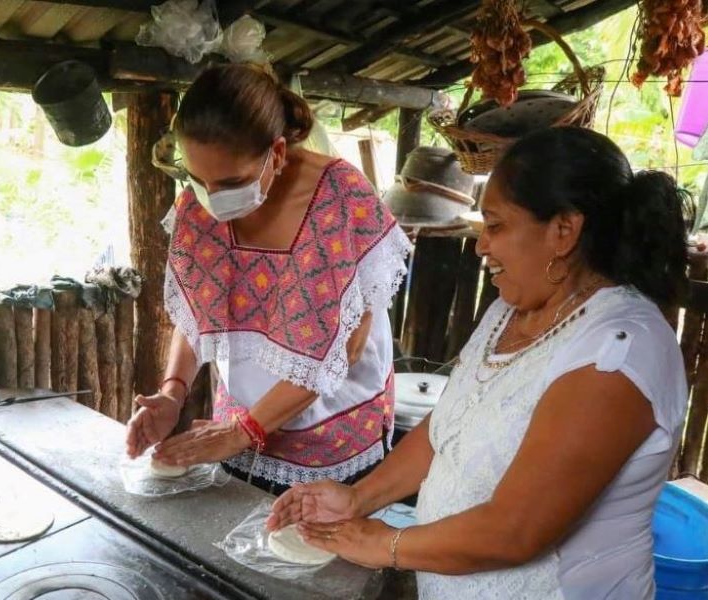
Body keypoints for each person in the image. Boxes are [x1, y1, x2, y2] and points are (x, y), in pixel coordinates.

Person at [268, 126, 691, 599]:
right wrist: (357, 498)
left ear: (563, 231)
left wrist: (382, 543)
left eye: (496, 225)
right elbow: (448, 430)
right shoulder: (508, 312)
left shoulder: (618, 351)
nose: (481, 245)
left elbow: (516, 530)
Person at [125, 63, 412, 494]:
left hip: (330, 433)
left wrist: (243, 431)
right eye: (199, 180)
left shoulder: (339, 201)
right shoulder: (198, 205)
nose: (213, 199)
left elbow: (346, 347)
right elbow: (198, 313)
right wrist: (172, 394)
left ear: (276, 153)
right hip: (239, 422)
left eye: (232, 182)